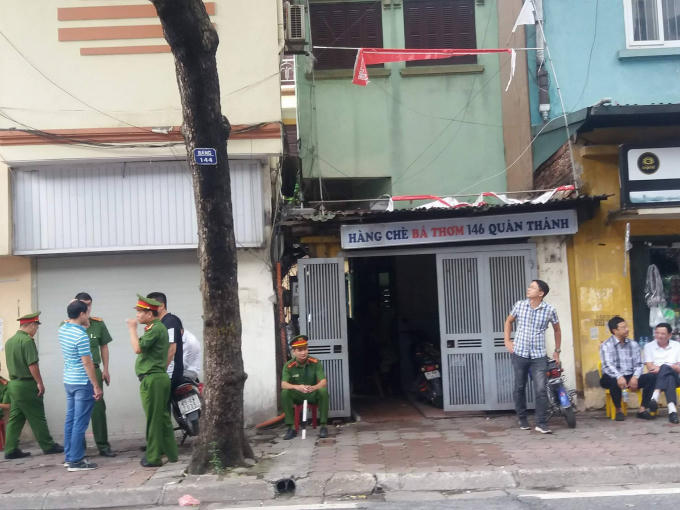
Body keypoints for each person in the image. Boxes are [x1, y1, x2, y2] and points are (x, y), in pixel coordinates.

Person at [504, 279, 561, 434]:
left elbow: (557, 330)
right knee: (519, 386)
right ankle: (522, 418)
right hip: (520, 353)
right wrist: (507, 341)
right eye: (529, 287)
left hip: (538, 356)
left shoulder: (550, 310)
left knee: (541, 389)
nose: (528, 289)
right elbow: (509, 321)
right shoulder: (520, 305)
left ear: (541, 293)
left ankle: (541, 423)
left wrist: (557, 351)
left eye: (532, 287)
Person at [127, 294, 178, 467]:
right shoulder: (154, 328)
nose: (137, 315)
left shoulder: (155, 328)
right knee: (162, 418)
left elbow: (137, 348)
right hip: (156, 378)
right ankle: (171, 453)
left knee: (154, 419)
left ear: (150, 314)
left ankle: (153, 457)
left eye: (140, 312)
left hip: (153, 379)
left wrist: (132, 329)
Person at [4, 312, 63, 459]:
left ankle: (10, 449)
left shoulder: (9, 341)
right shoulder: (27, 341)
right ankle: (48, 446)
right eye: (36, 326)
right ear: (30, 325)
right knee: (37, 416)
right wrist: (39, 383)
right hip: (27, 385)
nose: (36, 330)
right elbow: (32, 365)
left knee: (16, 418)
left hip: (14, 385)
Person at [59, 299, 103, 471]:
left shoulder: (63, 330)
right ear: (82, 314)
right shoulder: (81, 336)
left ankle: (69, 456)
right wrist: (96, 385)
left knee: (70, 420)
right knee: (80, 422)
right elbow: (87, 363)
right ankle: (76, 460)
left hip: (69, 380)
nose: (89, 316)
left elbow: (69, 321)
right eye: (87, 312)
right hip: (82, 382)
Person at [73, 292, 116, 457]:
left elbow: (104, 346)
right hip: (77, 372)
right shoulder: (68, 326)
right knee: (77, 409)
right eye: (83, 304)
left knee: (98, 409)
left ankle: (103, 446)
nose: (87, 307)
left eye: (89, 304)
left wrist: (106, 369)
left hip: (95, 369)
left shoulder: (98, 324)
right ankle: (79, 447)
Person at [599, 316, 654, 421]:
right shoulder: (606, 345)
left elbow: (639, 364)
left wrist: (635, 377)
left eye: (626, 326)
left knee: (651, 377)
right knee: (613, 381)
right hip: (611, 376)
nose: (627, 329)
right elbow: (607, 365)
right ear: (615, 331)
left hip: (630, 376)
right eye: (623, 327)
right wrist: (619, 376)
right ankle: (618, 410)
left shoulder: (633, 344)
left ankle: (642, 409)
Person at [281, 335, 329, 440]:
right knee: (285, 393)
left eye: (305, 349)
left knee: (323, 391)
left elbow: (323, 382)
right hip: (298, 394)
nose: (303, 353)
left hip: (312, 393)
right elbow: (283, 384)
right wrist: (297, 387)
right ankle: (291, 428)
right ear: (294, 352)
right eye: (300, 350)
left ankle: (323, 426)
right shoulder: (289, 365)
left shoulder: (315, 362)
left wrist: (315, 387)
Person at [639, 323, 680, 424]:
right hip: (656, 377)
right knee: (669, 377)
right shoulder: (649, 346)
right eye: (657, 333)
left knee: (665, 368)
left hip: (676, 377)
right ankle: (672, 411)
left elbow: (679, 368)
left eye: (663, 333)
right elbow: (650, 367)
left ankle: (655, 396)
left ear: (669, 335)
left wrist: (663, 367)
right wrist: (671, 366)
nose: (659, 336)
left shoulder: (677, 346)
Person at [146, 292, 184, 389]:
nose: (148, 309)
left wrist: (160, 371)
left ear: (162, 306)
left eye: (151, 306)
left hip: (170, 375)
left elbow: (171, 349)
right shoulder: (160, 323)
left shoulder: (170, 322)